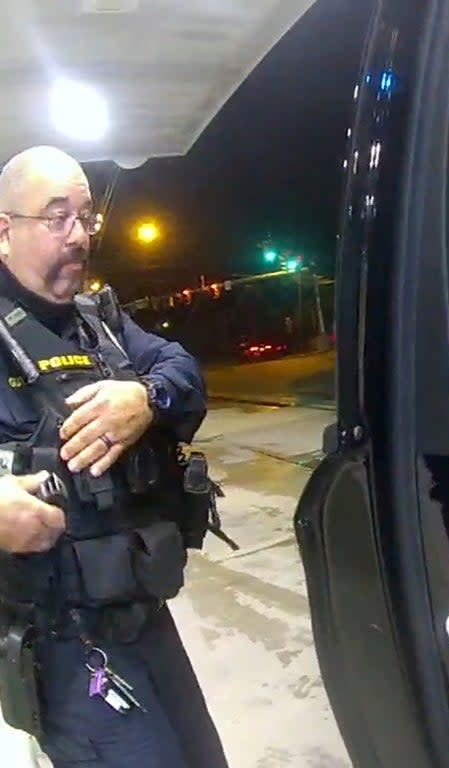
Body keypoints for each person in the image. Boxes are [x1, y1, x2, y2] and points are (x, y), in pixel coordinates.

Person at [0, 145, 228, 767]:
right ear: (3, 230)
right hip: (62, 645)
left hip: (144, 617)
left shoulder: (101, 322)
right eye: (56, 218)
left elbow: (183, 371)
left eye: (85, 217)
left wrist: (146, 397)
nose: (78, 235)